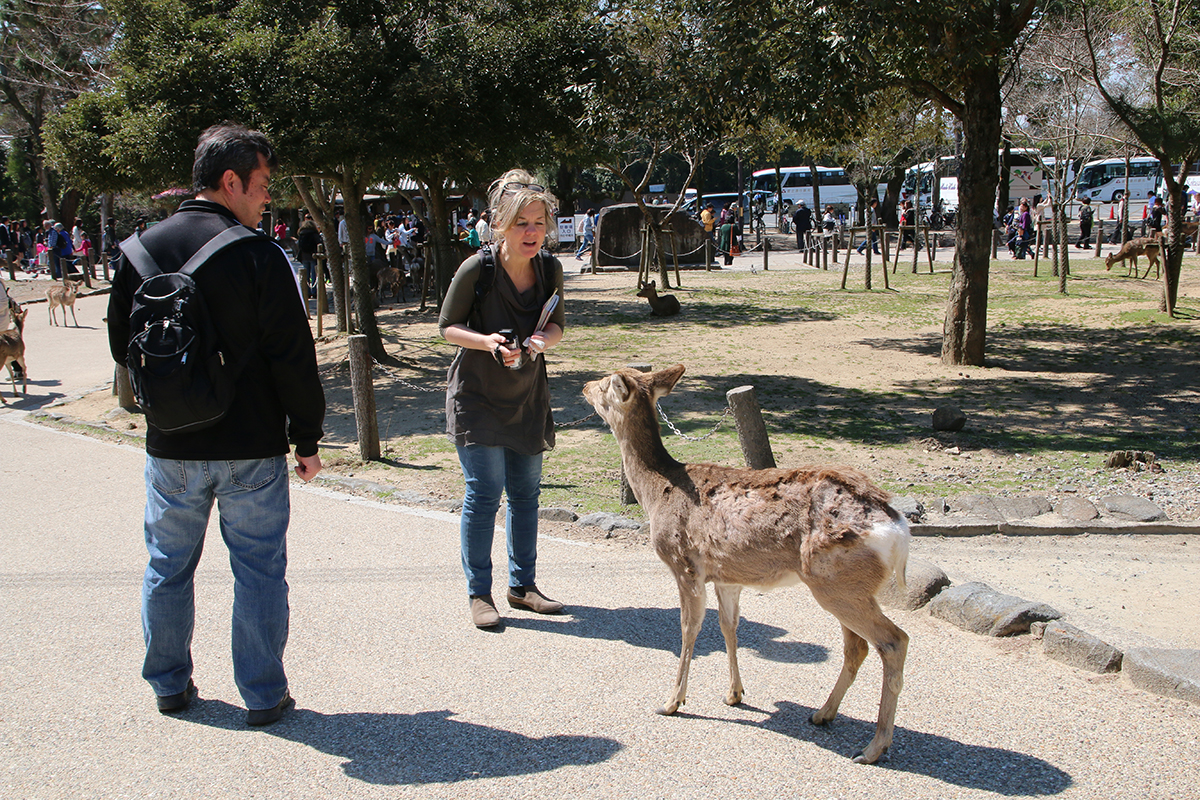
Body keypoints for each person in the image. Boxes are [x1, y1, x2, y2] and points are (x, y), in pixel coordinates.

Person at [107, 123, 325, 726]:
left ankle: (169, 684)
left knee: (167, 565)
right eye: (260, 186)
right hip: (250, 443)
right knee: (258, 569)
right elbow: (292, 355)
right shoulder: (258, 255)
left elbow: (122, 348)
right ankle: (261, 693)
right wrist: (306, 438)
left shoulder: (139, 251)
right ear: (230, 182)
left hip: (170, 445)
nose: (265, 200)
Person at [438, 168, 566, 630]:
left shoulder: (550, 267)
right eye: (521, 224)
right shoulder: (478, 268)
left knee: (527, 495)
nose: (532, 233)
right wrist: (488, 341)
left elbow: (556, 324)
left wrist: (541, 342)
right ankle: (479, 593)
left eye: (538, 223)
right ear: (498, 224)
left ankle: (523, 586)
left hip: (527, 394)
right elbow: (447, 326)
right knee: (485, 493)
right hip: (477, 397)